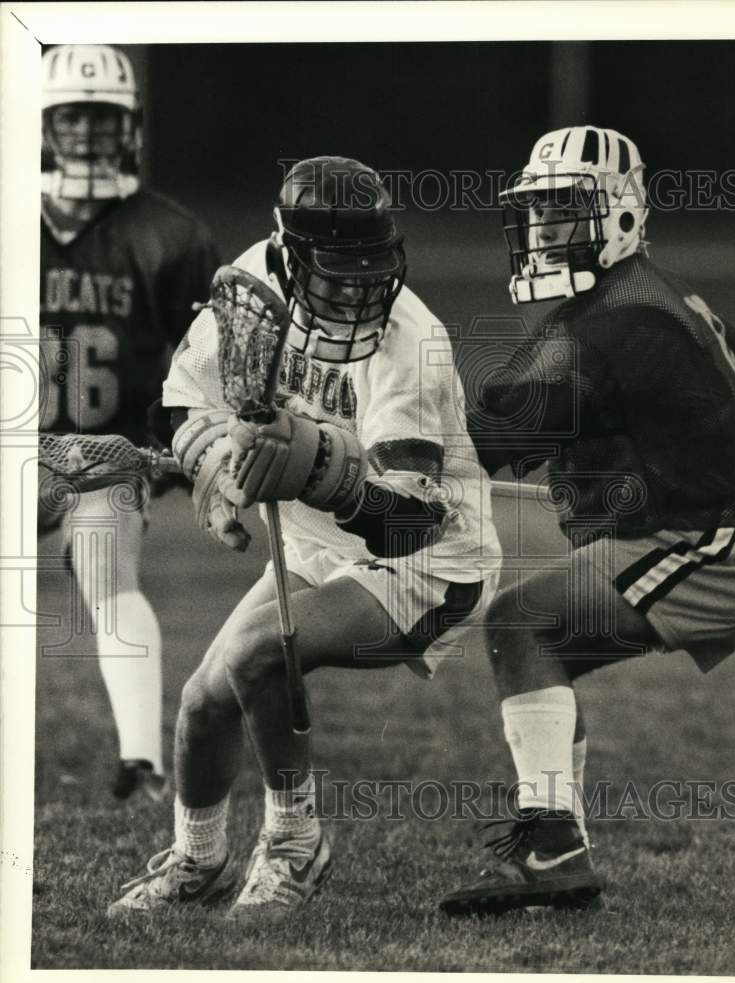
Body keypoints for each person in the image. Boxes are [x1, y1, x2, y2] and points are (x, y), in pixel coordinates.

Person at [107, 156, 502, 917]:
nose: (358, 288)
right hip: (322, 545)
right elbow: (188, 406)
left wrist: (322, 476)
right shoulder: (255, 285)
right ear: (288, 257)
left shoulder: (410, 343)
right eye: (336, 271)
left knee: (261, 656)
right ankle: (199, 858)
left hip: (428, 560)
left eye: (370, 269)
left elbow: (408, 522)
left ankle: (294, 844)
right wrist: (222, 478)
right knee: (200, 704)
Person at [440, 125, 735, 916]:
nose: (542, 232)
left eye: (564, 211)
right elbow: (734, 351)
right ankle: (558, 851)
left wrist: (352, 449)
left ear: (622, 215)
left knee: (522, 625)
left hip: (714, 536)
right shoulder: (632, 297)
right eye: (535, 213)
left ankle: (552, 844)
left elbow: (491, 440)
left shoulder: (609, 324)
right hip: (711, 520)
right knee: (542, 641)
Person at [38, 45, 220, 800]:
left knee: (111, 578)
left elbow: (209, 360)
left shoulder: (170, 236)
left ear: (131, 128)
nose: (86, 132)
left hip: (107, 453)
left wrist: (189, 445)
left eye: (103, 117)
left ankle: (140, 761)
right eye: (71, 115)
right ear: (44, 125)